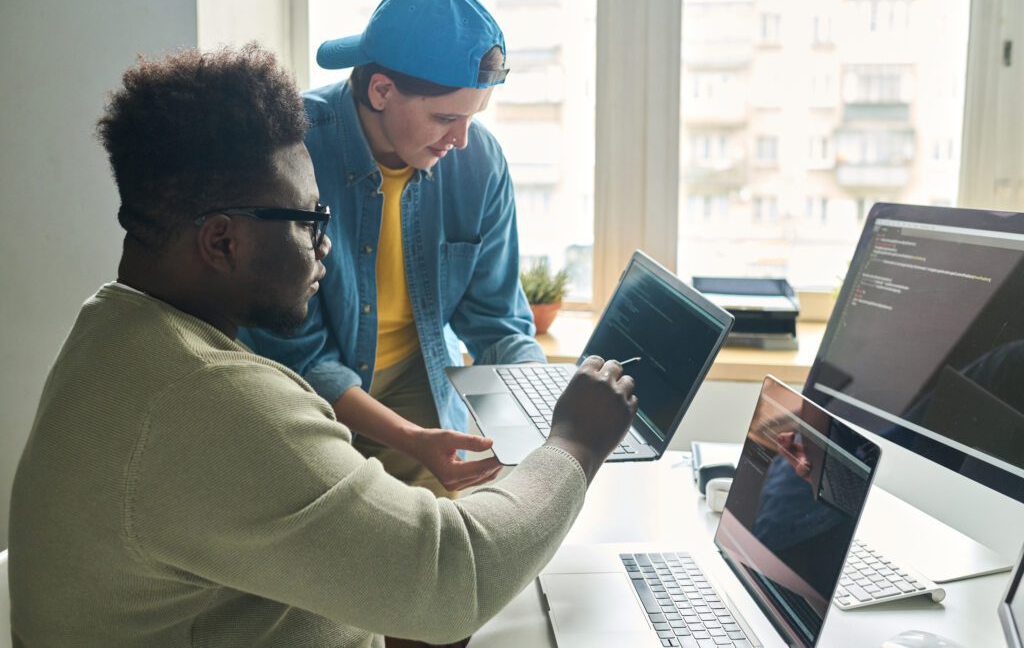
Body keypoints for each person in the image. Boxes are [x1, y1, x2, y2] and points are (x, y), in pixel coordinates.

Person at [7, 44, 638, 647]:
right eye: (311, 220)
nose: (325, 246)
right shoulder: (211, 402)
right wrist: (573, 443)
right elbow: (454, 580)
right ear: (223, 242)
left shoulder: (114, 327)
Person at [240, 0, 544, 497]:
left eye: (473, 116)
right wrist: (408, 437)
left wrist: (546, 404)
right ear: (381, 90)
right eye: (446, 117)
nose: (462, 140)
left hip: (415, 372)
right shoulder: (290, 149)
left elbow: (495, 321)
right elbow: (295, 352)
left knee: (443, 546)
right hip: (298, 387)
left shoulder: (479, 162)